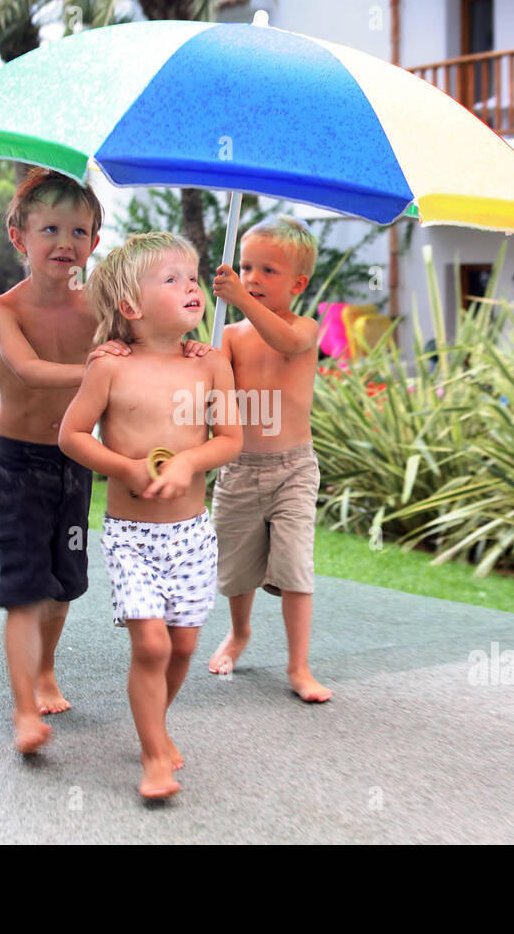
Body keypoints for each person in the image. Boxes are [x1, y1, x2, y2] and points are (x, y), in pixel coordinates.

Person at [0, 169, 207, 755]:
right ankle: (24, 710)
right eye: (50, 229)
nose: (66, 242)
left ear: (95, 241)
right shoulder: (2, 307)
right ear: (18, 238)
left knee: (64, 583)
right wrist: (104, 371)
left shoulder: (95, 311)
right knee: (25, 584)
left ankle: (47, 666)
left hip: (77, 463)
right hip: (19, 463)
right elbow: (29, 370)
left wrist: (185, 348)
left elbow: (147, 339)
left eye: (79, 231)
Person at [59, 231, 242, 798]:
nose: (192, 286)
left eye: (193, 278)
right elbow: (70, 436)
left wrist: (189, 463)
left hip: (192, 535)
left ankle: (155, 725)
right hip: (131, 536)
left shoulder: (209, 364)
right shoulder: (110, 367)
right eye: (173, 279)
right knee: (153, 646)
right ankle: (153, 754)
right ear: (132, 307)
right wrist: (125, 468)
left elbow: (230, 438)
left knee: (184, 646)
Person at [206, 215, 332, 702]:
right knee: (237, 566)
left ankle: (299, 666)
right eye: (246, 267)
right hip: (239, 467)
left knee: (296, 565)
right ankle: (239, 634)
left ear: (299, 283)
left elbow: (283, 341)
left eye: (267, 271)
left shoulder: (304, 327)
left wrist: (239, 298)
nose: (253, 279)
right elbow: (220, 391)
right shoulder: (232, 336)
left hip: (293, 469)